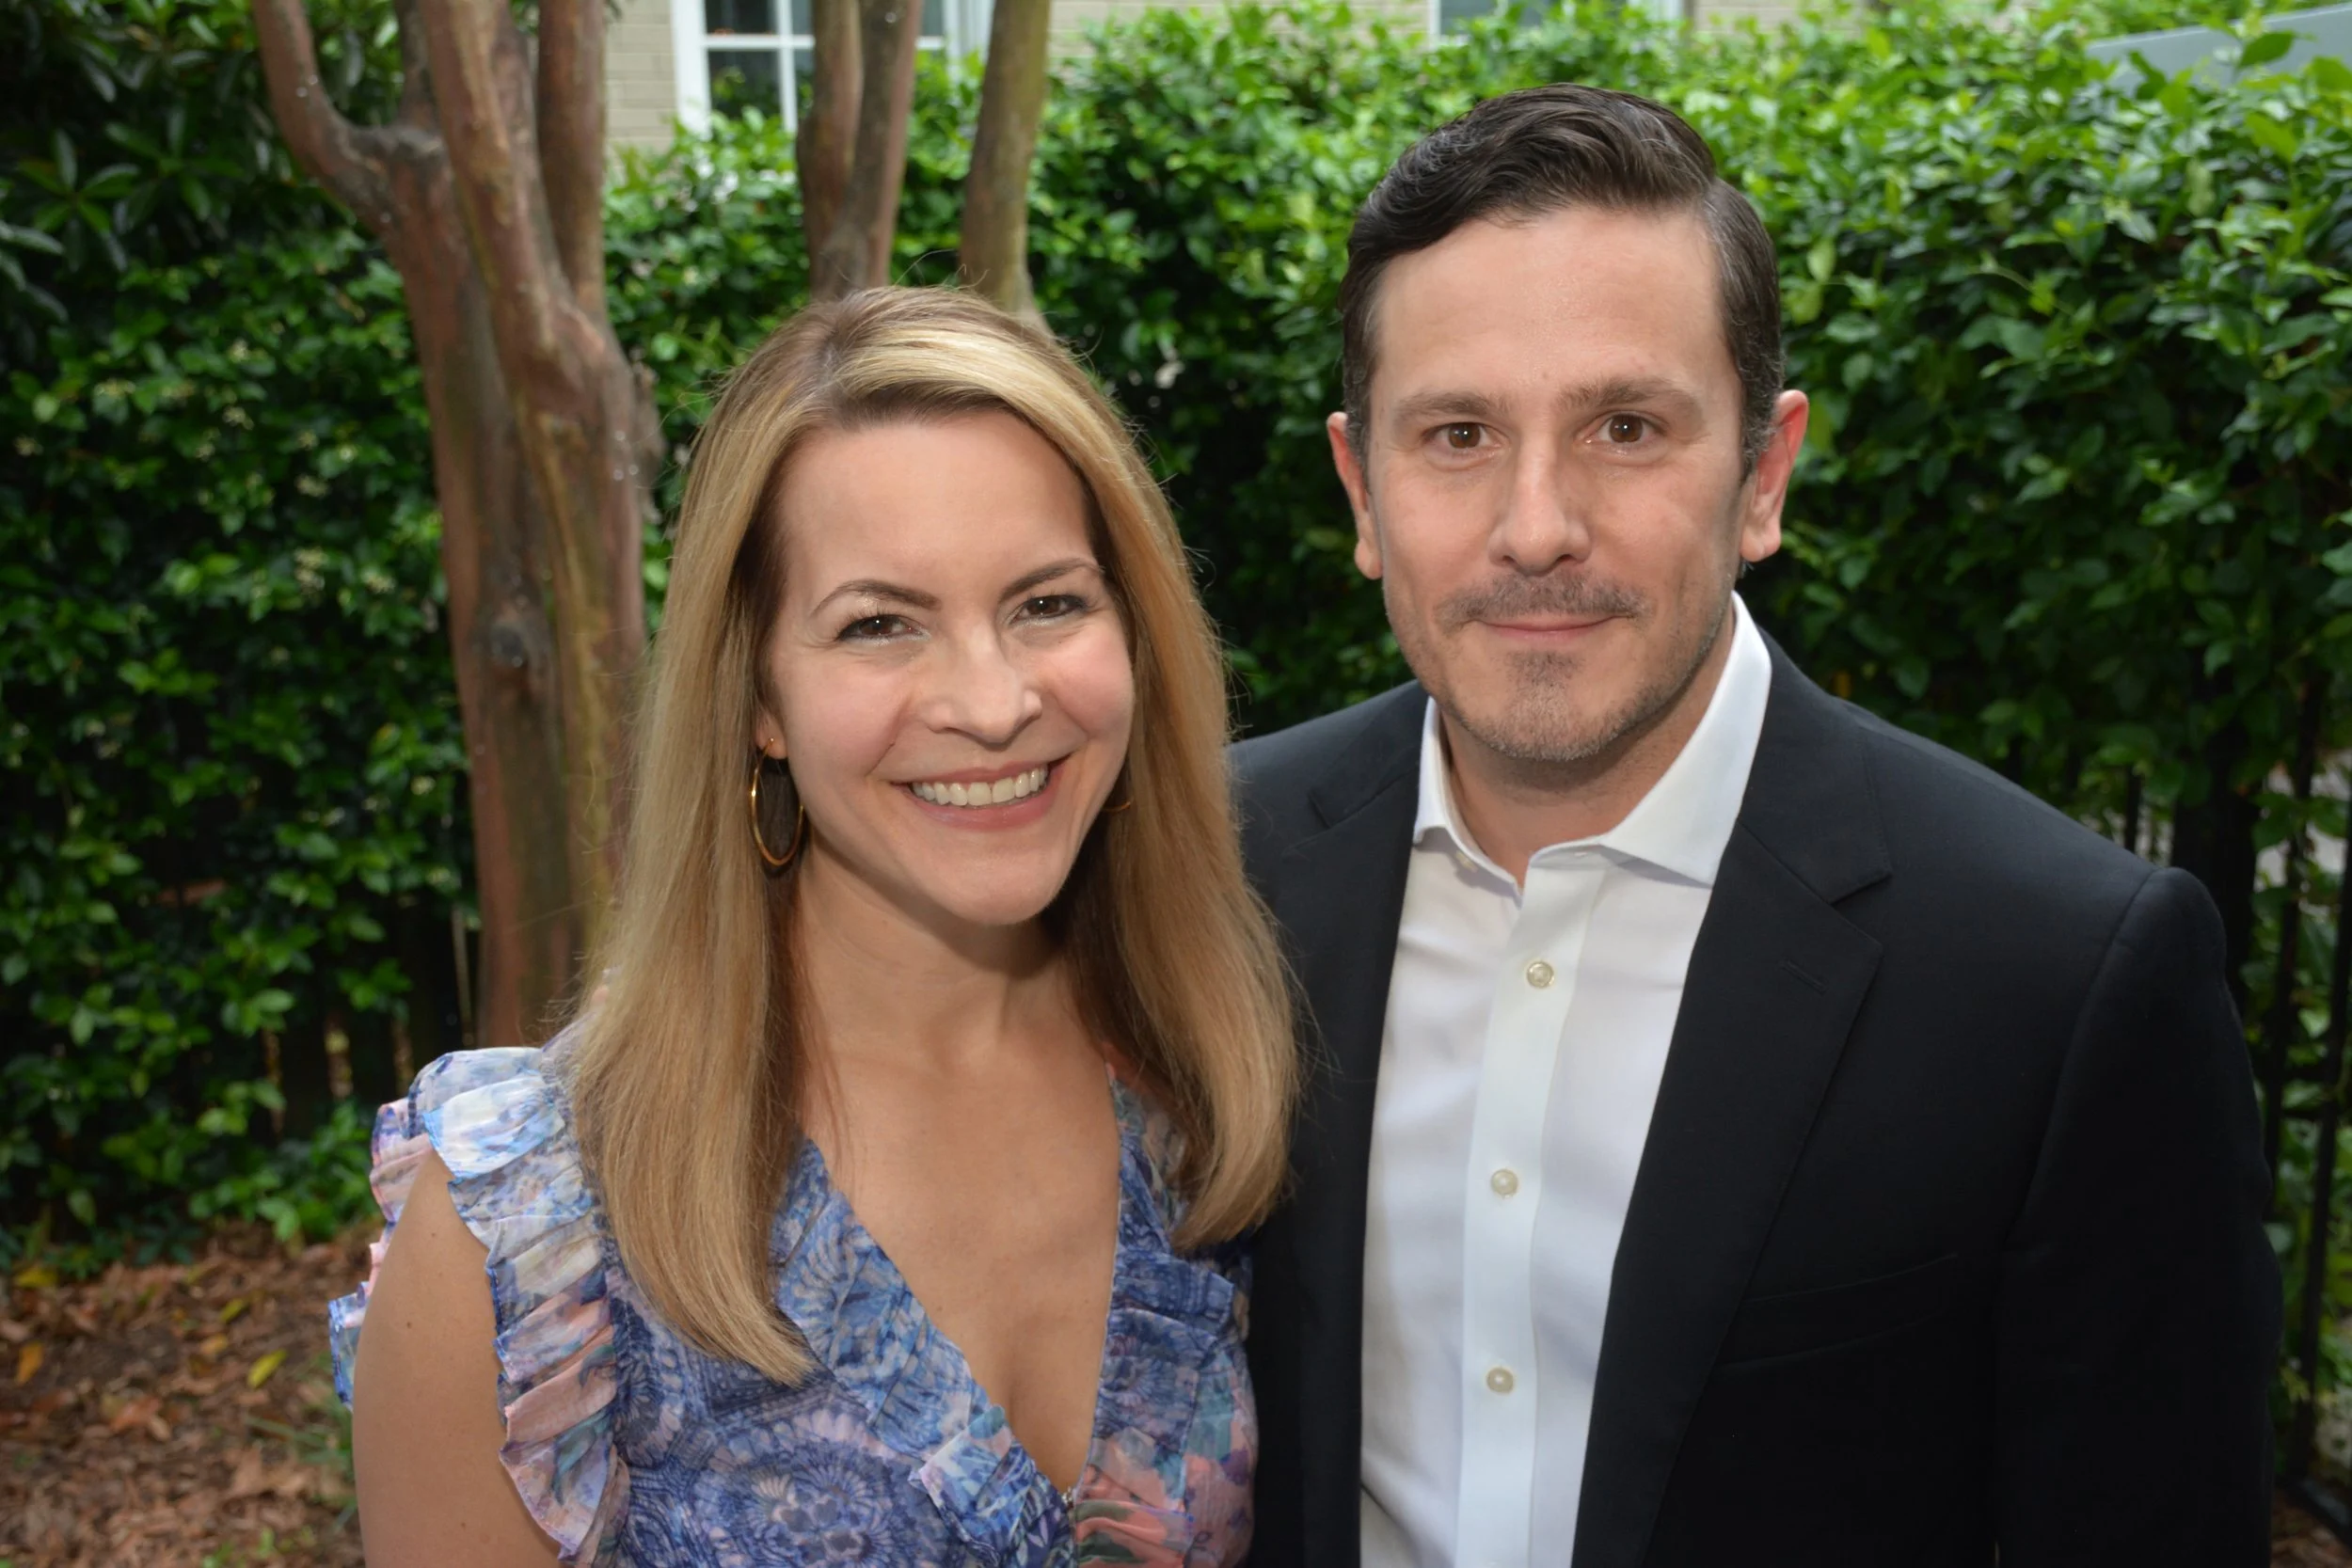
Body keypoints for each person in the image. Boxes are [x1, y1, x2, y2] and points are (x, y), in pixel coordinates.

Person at [1235, 84, 2279, 1568]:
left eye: (1627, 427)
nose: (1537, 526)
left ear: (1763, 474)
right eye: (1457, 433)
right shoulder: (1220, 868)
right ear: (1361, 489)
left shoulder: (2059, 976)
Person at [328, 288, 1295, 1568]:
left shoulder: (1206, 1077)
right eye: (879, 623)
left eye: (1048, 603)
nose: (992, 703)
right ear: (759, 696)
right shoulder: (531, 1222)